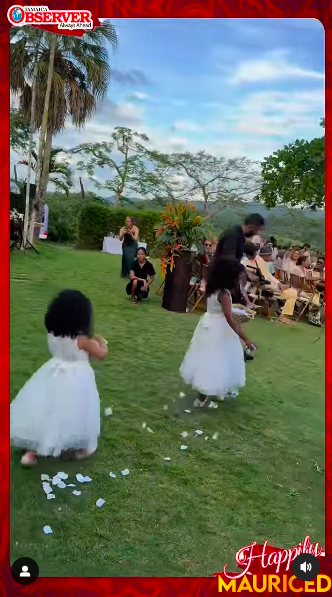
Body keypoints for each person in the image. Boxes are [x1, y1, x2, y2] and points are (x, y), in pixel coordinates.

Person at [10, 289, 108, 466]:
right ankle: (82, 448)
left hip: (52, 374)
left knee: (45, 410)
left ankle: (31, 452)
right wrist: (101, 341)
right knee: (77, 412)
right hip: (77, 381)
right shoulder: (82, 341)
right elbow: (102, 354)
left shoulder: (52, 334)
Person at [180, 260, 257, 408]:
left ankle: (217, 391)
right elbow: (229, 318)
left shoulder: (213, 288)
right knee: (216, 361)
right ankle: (203, 398)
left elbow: (218, 310)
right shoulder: (224, 295)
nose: (241, 279)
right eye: (239, 276)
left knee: (209, 359)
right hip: (219, 329)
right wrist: (246, 339)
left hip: (208, 324)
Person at [256, 247, 298, 325]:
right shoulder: (262, 263)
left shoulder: (257, 261)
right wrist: (278, 286)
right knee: (293, 293)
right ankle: (282, 317)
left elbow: (269, 277)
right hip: (266, 287)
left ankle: (283, 316)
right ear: (267, 255)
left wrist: (279, 284)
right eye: (270, 255)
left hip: (264, 285)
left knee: (292, 292)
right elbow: (266, 278)